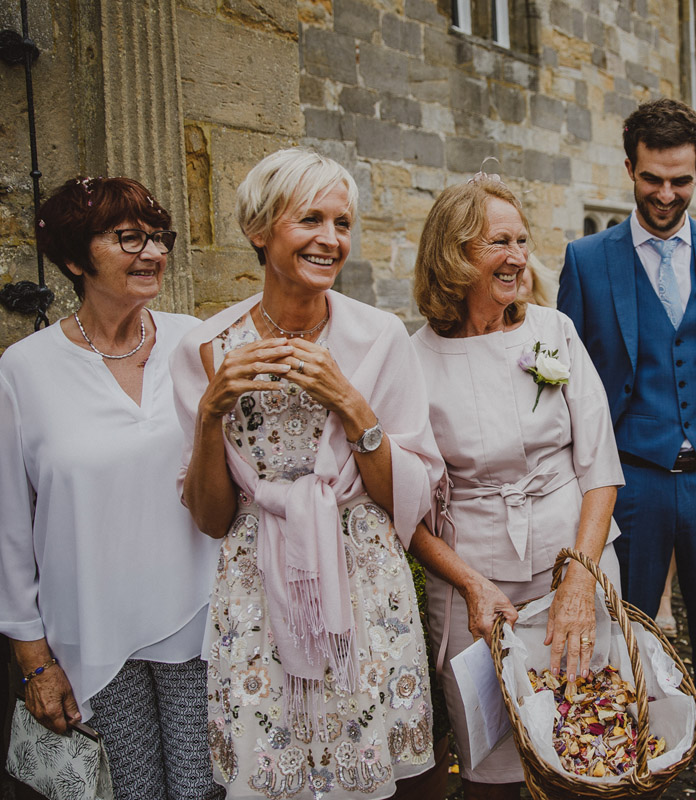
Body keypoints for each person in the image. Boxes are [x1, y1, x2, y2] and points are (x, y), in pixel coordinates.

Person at [171, 149, 444, 800]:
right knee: (271, 773)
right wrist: (212, 411)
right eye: (310, 220)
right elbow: (210, 518)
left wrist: (350, 403)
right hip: (258, 590)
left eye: (342, 223)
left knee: (361, 770)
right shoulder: (206, 348)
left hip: (363, 587)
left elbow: (411, 492)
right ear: (260, 229)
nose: (330, 240)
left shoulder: (381, 339)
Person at [559, 98, 696, 800]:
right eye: (652, 177)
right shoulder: (588, 262)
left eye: (680, 180)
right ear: (629, 167)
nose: (665, 194)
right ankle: (626, 777)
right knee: (621, 648)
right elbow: (565, 383)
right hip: (632, 487)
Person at [0, 177, 222, 800]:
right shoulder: (25, 370)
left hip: (199, 618)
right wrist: (34, 661)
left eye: (159, 237)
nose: (151, 252)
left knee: (205, 789)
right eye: (129, 238)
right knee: (127, 793)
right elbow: (11, 529)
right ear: (75, 258)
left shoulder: (196, 342)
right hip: (92, 633)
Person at [408, 175, 624, 799]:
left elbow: (601, 467)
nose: (518, 256)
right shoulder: (412, 358)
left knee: (591, 740)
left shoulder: (554, 332)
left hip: (574, 561)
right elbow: (404, 514)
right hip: (474, 585)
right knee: (492, 765)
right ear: (453, 256)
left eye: (522, 240)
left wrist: (581, 576)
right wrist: (471, 584)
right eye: (497, 242)